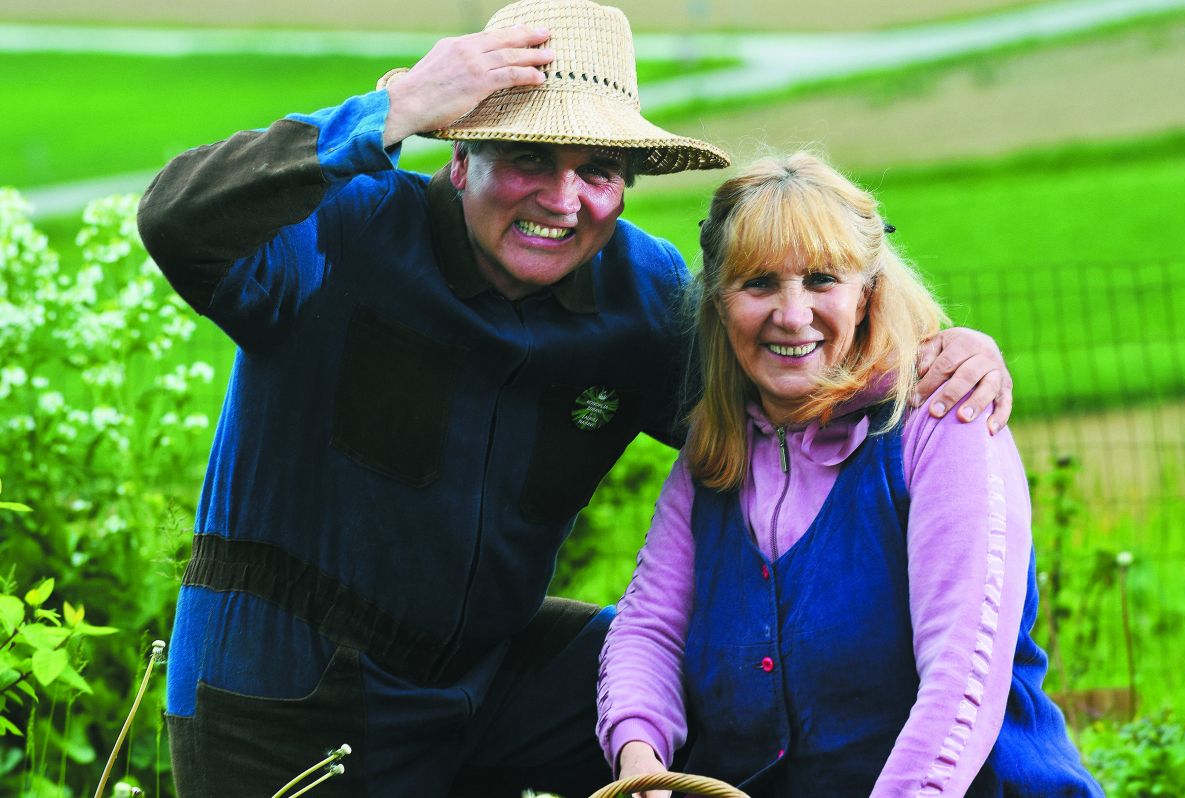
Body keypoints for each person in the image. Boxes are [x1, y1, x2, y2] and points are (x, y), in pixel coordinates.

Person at [136, 1, 1013, 795]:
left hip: (490, 679)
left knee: (702, 682)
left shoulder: (639, 296)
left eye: (598, 170)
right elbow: (175, 218)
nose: (563, 200)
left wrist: (937, 354)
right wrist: (393, 107)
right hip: (285, 694)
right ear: (460, 158)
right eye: (528, 158)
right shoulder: (344, 230)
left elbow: (784, 386)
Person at [596, 150, 1101, 797]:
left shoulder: (941, 421)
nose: (792, 314)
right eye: (759, 284)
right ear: (720, 304)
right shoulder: (715, 450)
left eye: (821, 280)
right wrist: (641, 760)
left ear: (866, 295)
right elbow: (649, 630)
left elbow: (961, 678)